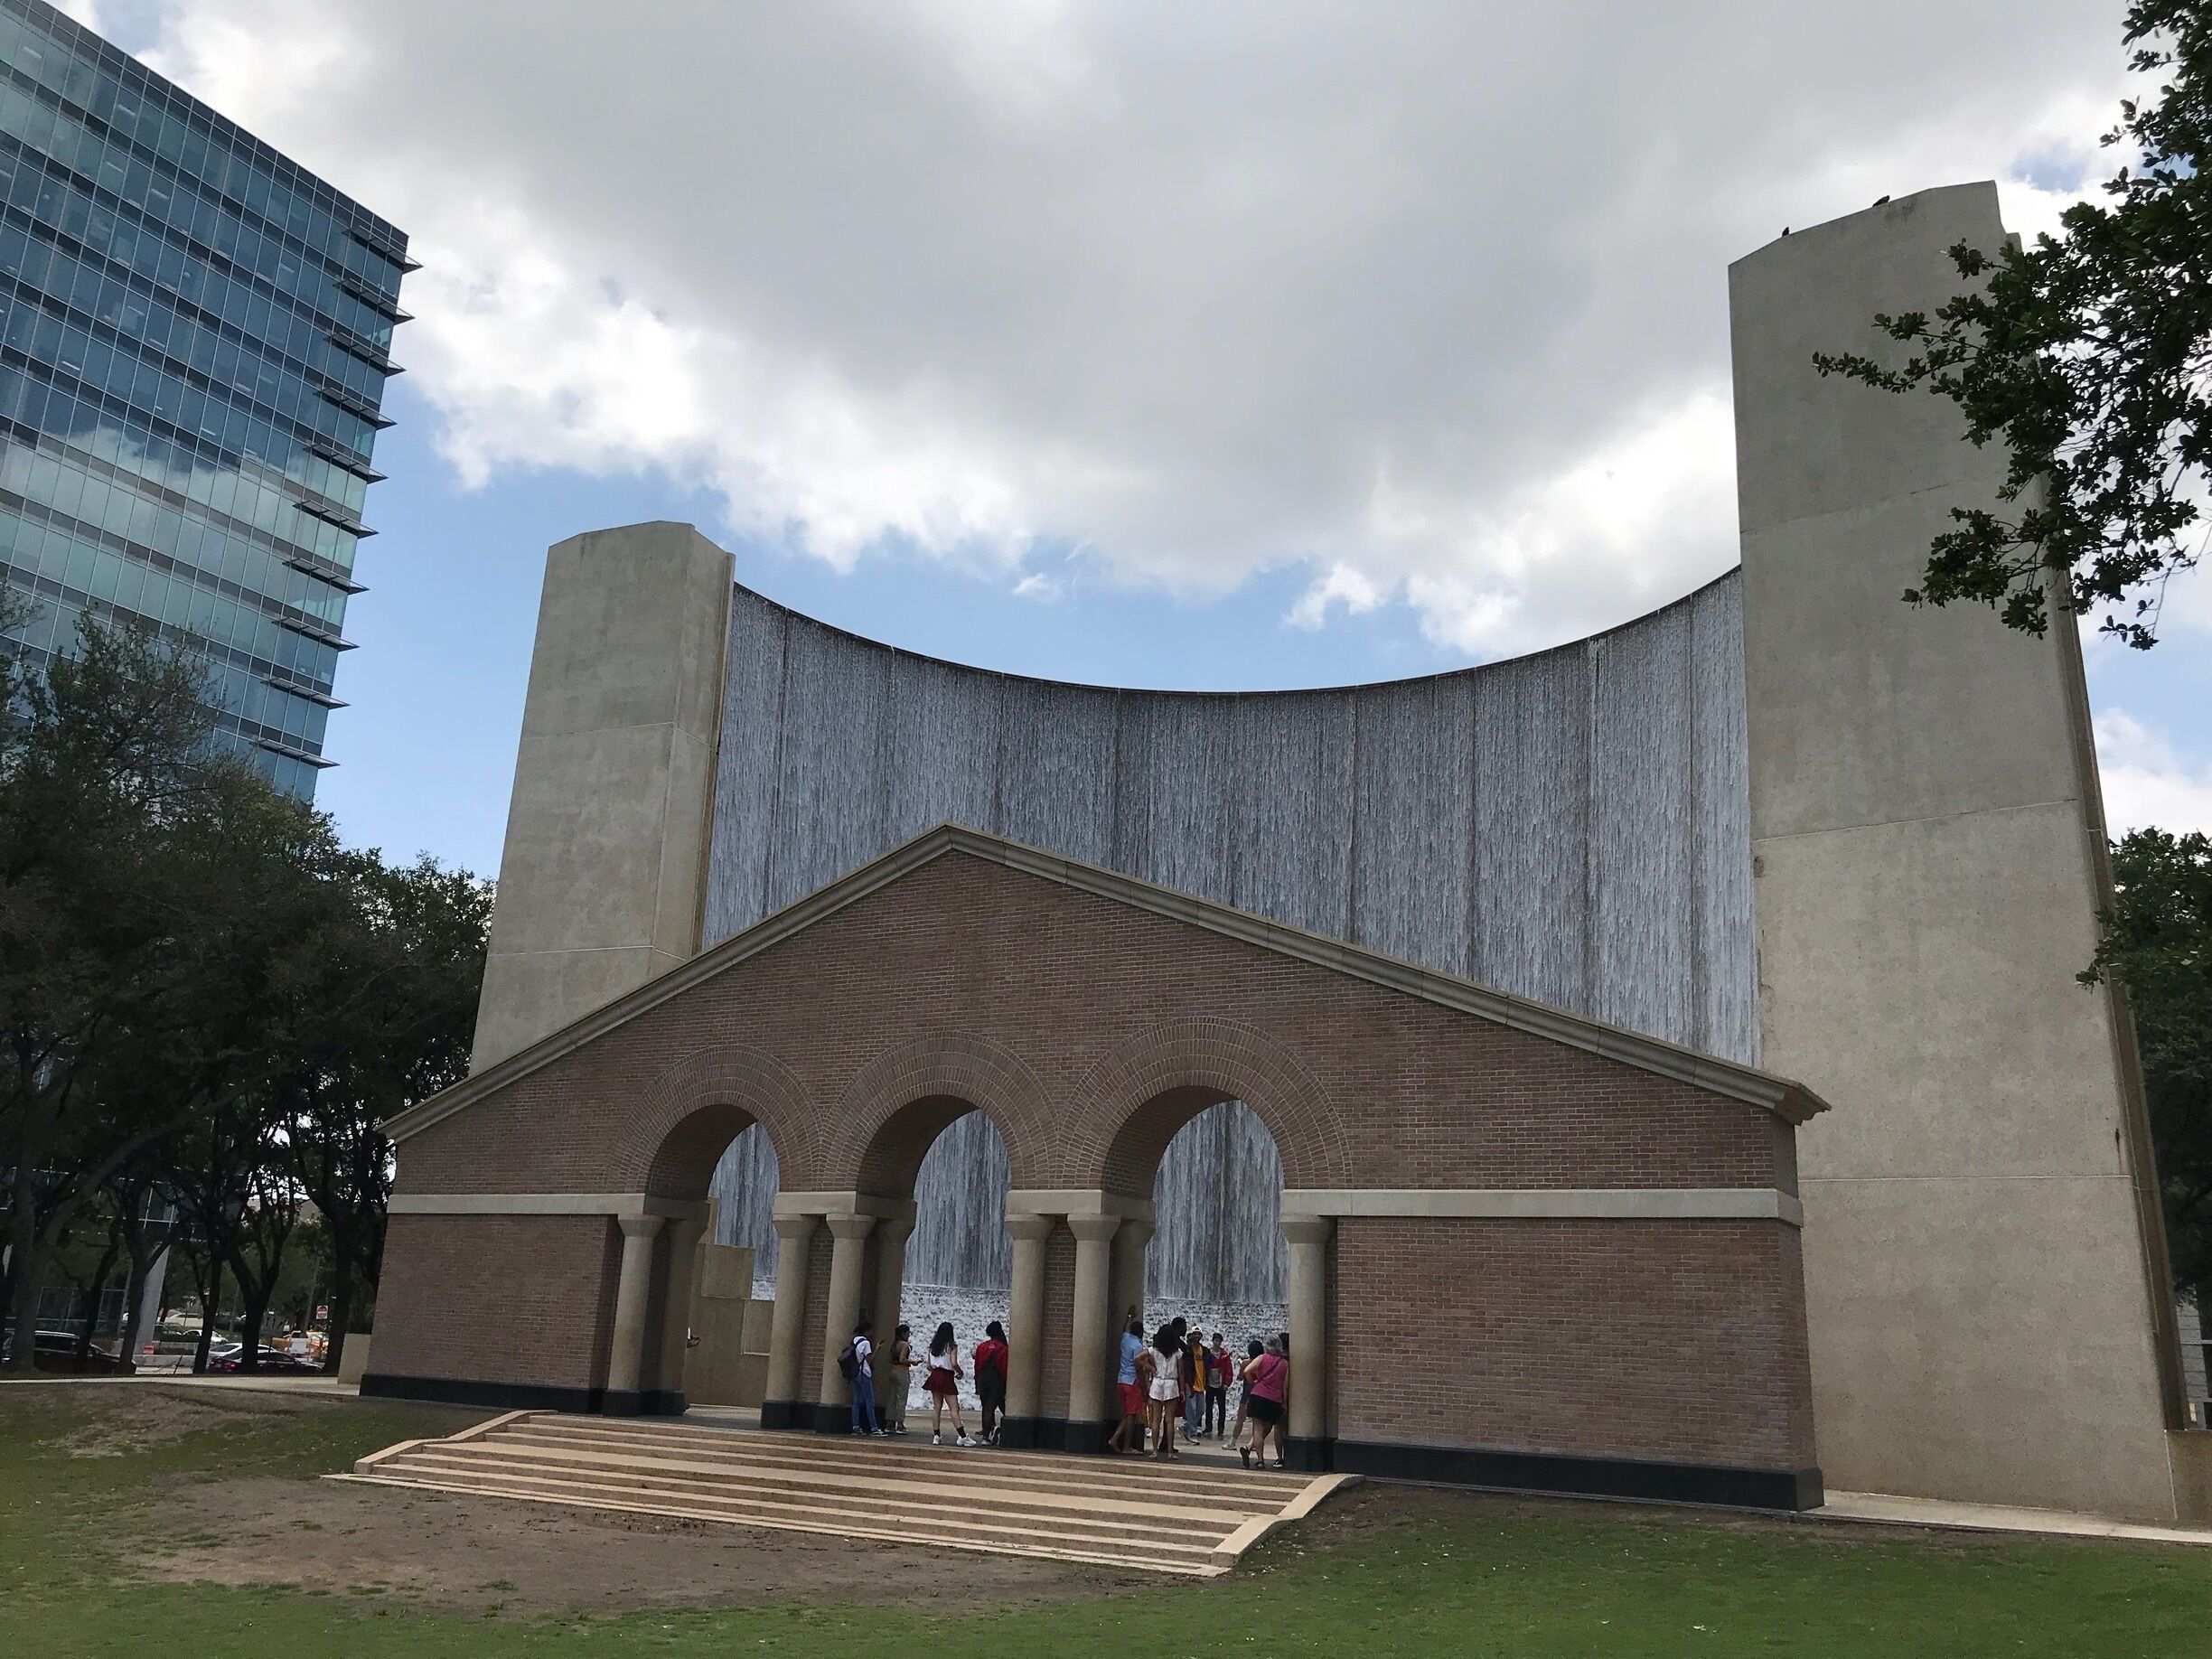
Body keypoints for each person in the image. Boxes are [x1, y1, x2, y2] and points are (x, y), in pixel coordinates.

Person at [1240, 1336, 1289, 1470]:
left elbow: (1246, 1371)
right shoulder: (1284, 1364)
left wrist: (1252, 1382)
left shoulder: (1262, 1358)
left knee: (1258, 1429)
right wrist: (1284, 1403)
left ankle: (1260, 1460)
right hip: (1274, 1400)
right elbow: (1285, 1386)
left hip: (1257, 1396)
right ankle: (1249, 1449)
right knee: (1268, 1426)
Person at [923, 1321, 976, 1447]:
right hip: (946, 1377)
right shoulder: (952, 1346)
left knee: (937, 1407)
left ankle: (936, 1436)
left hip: (935, 1375)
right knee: (954, 1408)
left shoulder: (933, 1346)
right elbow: (953, 1363)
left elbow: (929, 1366)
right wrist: (960, 1372)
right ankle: (962, 1436)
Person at [1107, 1314, 1148, 1454]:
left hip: (1121, 1380)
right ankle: (1126, 1446)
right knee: (1132, 1415)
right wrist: (1144, 1385)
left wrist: (1129, 1317)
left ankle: (1115, 1439)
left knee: (1127, 1414)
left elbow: (1124, 1328)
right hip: (1132, 1382)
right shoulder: (1138, 1346)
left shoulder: (1125, 1338)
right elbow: (1139, 1367)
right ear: (1141, 1332)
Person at [1148, 1321, 1185, 1458]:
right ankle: (1169, 1452)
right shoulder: (1177, 1352)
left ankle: (1154, 1451)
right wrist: (1182, 1390)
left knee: (1155, 1420)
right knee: (1169, 1420)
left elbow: (1137, 1358)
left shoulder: (1154, 1351)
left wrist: (1150, 1368)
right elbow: (1181, 1372)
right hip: (1171, 1383)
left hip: (1157, 1382)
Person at [973, 1320, 1009, 1446]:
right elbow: (1004, 1368)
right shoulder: (1003, 1349)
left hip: (982, 1380)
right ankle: (991, 1433)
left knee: (986, 1408)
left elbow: (977, 1365)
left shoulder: (981, 1347)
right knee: (992, 1407)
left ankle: (987, 1435)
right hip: (996, 1382)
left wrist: (977, 1380)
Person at [1227, 1337, 1262, 1455]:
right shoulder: (1263, 1363)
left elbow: (1240, 1377)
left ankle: (1232, 1442)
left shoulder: (1246, 1363)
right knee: (1257, 1422)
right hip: (1259, 1394)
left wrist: (1240, 1365)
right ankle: (1254, 1444)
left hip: (1247, 1394)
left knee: (1240, 1419)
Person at [844, 1318, 879, 1436]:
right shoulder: (866, 1343)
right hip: (864, 1373)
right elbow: (869, 1360)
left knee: (856, 1400)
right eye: (871, 1331)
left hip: (854, 1373)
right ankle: (874, 1427)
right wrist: (877, 1350)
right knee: (869, 1401)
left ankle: (855, 1427)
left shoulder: (854, 1340)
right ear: (866, 1331)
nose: (872, 1333)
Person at [880, 1323, 913, 1436]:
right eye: (908, 1333)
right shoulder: (905, 1345)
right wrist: (912, 1362)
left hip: (892, 1371)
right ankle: (900, 1424)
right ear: (904, 1333)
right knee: (901, 1398)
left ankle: (889, 1424)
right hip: (902, 1371)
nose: (909, 1335)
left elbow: (890, 1359)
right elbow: (902, 1359)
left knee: (891, 1398)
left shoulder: (894, 1344)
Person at [1182, 1324, 1207, 1439]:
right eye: (1194, 1334)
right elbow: (1185, 1367)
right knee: (1191, 1410)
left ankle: (1186, 1426)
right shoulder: (1187, 1350)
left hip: (1201, 1383)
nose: (1196, 1336)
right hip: (1191, 1383)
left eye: (1198, 1334)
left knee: (1201, 1410)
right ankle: (1191, 1434)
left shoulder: (1204, 1350)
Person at [1204, 1332, 1232, 1439]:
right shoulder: (1208, 1353)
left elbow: (1229, 1370)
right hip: (1210, 1384)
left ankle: (1221, 1429)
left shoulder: (1225, 1355)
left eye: (1219, 1341)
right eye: (1215, 1340)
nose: (1217, 1343)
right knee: (1208, 1407)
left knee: (1222, 1408)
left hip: (1221, 1385)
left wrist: (1226, 1383)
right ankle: (1208, 1427)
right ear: (1213, 1341)